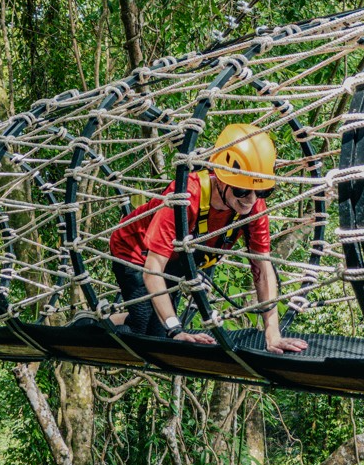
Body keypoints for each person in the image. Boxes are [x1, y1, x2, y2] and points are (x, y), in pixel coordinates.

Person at [107, 123, 308, 354]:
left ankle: (125, 324)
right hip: (135, 250)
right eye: (241, 191)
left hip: (176, 257)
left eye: (262, 192)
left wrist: (272, 333)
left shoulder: (253, 208)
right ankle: (96, 324)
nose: (251, 200)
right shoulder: (185, 196)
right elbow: (153, 267)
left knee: (158, 333)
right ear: (220, 179)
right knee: (145, 332)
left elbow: (262, 268)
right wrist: (176, 330)